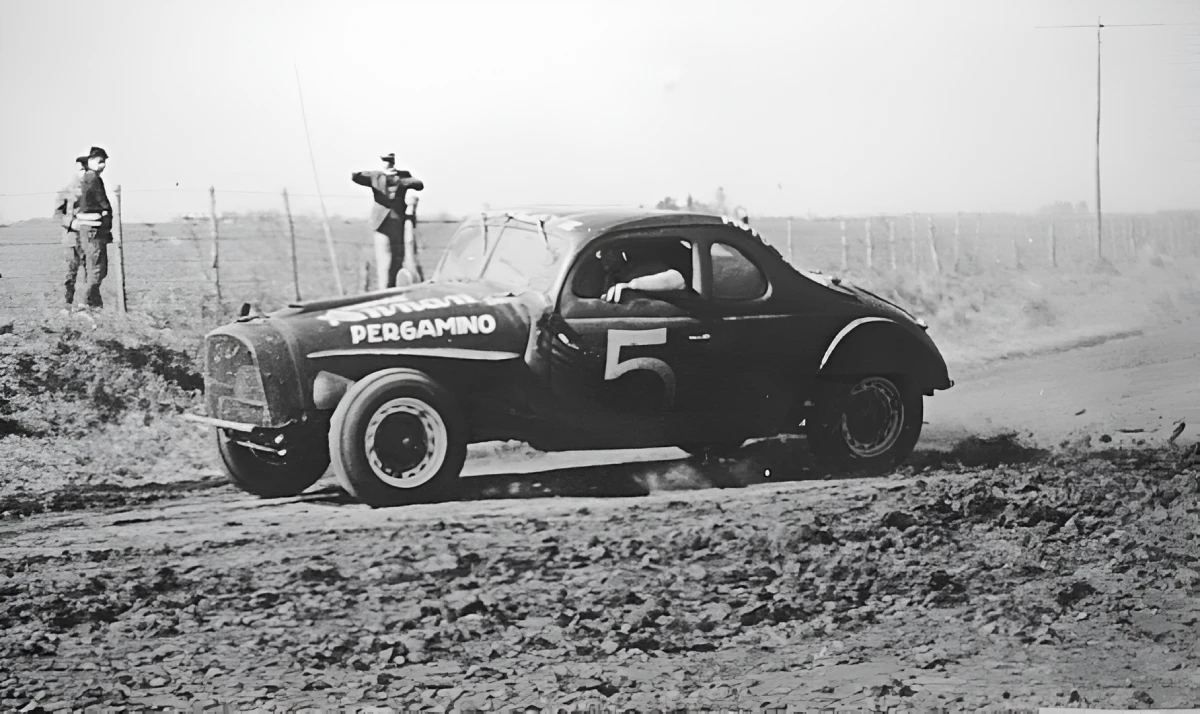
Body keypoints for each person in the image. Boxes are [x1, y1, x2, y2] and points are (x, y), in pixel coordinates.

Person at [351, 153, 424, 290]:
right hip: (381, 223)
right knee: (384, 260)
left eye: (389, 161)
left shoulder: (402, 175)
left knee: (398, 258)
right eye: (384, 161)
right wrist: (373, 175)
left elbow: (419, 185)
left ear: (393, 162)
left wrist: (400, 181)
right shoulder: (375, 176)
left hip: (398, 221)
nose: (387, 163)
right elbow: (356, 177)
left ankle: (394, 288)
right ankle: (383, 289)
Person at [72, 146, 114, 310]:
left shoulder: (88, 177)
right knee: (96, 270)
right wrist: (106, 212)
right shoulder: (92, 178)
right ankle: (84, 304)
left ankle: (94, 305)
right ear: (90, 161)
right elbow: (102, 202)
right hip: (93, 228)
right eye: (100, 161)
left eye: (104, 162)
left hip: (90, 228)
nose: (103, 165)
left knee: (95, 269)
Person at [53, 155, 88, 308]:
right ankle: (67, 304)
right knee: (71, 272)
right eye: (82, 169)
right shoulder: (66, 190)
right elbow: (58, 214)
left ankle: (87, 305)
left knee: (90, 272)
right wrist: (71, 223)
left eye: (87, 170)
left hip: (89, 239)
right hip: (71, 238)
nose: (84, 173)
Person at [599, 244, 688, 303]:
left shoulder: (645, 267)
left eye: (608, 253)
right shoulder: (608, 278)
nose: (604, 258)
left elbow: (676, 279)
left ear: (620, 252)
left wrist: (631, 285)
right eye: (602, 254)